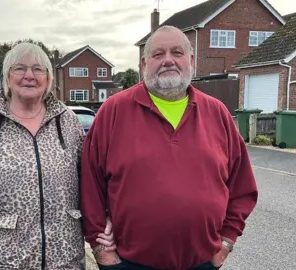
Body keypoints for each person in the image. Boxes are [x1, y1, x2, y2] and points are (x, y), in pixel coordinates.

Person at [80, 25, 258, 270]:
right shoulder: (113, 111)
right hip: (129, 264)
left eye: (177, 52)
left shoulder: (217, 114)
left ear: (191, 60)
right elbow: (90, 186)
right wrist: (101, 249)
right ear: (144, 65)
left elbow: (242, 187)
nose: (168, 61)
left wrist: (227, 242)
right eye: (157, 54)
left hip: (202, 263)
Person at [0, 42, 115, 269]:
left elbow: (91, 183)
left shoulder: (67, 122)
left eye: (38, 69)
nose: (29, 75)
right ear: (7, 77)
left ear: (48, 78)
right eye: (19, 68)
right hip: (3, 263)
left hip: (64, 261)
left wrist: (102, 225)